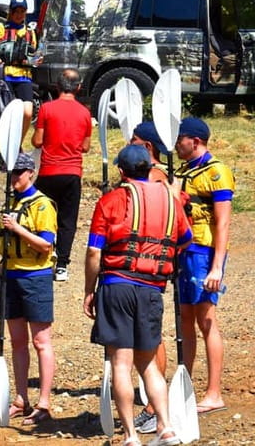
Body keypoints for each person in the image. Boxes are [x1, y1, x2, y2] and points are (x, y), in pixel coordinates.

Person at [84, 145, 193, 446]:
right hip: (152, 288)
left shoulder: (110, 201)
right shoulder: (172, 202)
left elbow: (94, 251)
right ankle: (166, 427)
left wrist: (88, 290)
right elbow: (185, 239)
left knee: (121, 363)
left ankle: (131, 435)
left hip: (117, 285)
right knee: (147, 364)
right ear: (149, 168)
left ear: (121, 172)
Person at [174, 117, 234, 415]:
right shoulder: (184, 171)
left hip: (204, 253)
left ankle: (214, 393)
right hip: (184, 251)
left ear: (194, 140)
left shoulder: (217, 172)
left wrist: (217, 267)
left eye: (180, 139)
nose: (176, 145)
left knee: (206, 319)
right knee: (185, 317)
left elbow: (223, 223)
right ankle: (185, 386)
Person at [0, 153, 58, 425]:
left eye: (19, 173)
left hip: (36, 277)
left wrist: (17, 228)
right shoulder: (12, 201)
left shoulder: (43, 205)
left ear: (31, 173)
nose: (15, 178)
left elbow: (46, 245)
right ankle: (21, 398)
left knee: (40, 341)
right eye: (12, 173)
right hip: (11, 276)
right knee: (17, 341)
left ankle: (44, 403)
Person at [129, 121, 171, 434]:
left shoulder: (156, 177)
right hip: (138, 265)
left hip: (147, 265)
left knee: (151, 337)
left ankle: (154, 407)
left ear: (147, 147)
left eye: (134, 141)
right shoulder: (152, 175)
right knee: (143, 337)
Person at [32, 68, 91, 282]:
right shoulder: (84, 113)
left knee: (42, 216)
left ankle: (43, 255)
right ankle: (63, 265)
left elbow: (37, 141)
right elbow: (85, 147)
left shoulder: (47, 109)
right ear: (78, 87)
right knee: (68, 219)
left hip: (48, 171)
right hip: (72, 173)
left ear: (57, 87)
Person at [0, 0, 42, 143]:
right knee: (6, 114)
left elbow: (33, 56)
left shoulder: (30, 33)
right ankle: (6, 145)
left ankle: (17, 144)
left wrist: (37, 60)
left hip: (24, 76)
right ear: (11, 12)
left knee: (28, 112)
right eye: (16, 11)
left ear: (25, 12)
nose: (19, 14)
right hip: (5, 76)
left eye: (22, 11)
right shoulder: (0, 29)